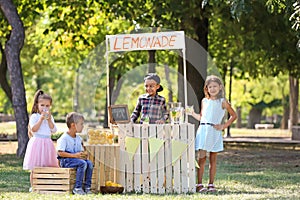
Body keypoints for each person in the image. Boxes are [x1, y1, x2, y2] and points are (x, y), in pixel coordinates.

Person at [188, 75, 237, 193]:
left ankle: (211, 184)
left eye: (215, 86)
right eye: (210, 87)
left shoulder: (223, 102)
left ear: (220, 87)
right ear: (207, 88)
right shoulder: (204, 101)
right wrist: (191, 113)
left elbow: (234, 115)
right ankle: (199, 184)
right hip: (204, 131)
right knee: (202, 158)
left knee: (213, 159)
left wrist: (223, 126)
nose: (213, 89)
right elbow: (201, 117)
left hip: (215, 132)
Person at [23, 89, 59, 192]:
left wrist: (48, 120)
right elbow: (33, 129)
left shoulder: (50, 117)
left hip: (47, 143)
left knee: (48, 165)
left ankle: (45, 184)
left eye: (47, 106)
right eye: (42, 105)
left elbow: (54, 130)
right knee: (35, 166)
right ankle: (33, 185)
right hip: (37, 143)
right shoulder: (35, 116)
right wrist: (41, 119)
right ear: (37, 105)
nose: (45, 108)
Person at [56, 112, 93, 195]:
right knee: (82, 163)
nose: (83, 126)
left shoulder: (78, 138)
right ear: (73, 125)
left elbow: (81, 151)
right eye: (81, 124)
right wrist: (74, 155)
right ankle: (77, 188)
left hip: (75, 159)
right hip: (65, 160)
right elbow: (60, 153)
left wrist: (83, 154)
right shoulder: (64, 138)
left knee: (89, 163)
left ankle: (87, 187)